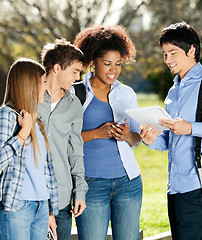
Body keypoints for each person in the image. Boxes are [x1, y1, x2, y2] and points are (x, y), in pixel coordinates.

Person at [139, 22, 202, 240]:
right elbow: (170, 139)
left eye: (172, 53)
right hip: (174, 187)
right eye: (164, 54)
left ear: (191, 50)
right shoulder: (174, 89)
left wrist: (190, 127)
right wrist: (150, 140)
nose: (167, 60)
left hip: (198, 184)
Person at [73, 25, 143, 240]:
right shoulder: (75, 93)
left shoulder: (127, 94)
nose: (113, 70)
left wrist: (127, 136)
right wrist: (96, 133)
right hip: (90, 185)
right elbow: (62, 139)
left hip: (128, 183)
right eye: (107, 64)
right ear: (93, 62)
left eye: (118, 64)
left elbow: (136, 137)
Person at [0, 57, 59, 240]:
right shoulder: (6, 115)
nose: (46, 86)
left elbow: (45, 170)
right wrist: (23, 132)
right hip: (17, 206)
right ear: (29, 84)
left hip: (41, 207)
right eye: (43, 81)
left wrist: (50, 211)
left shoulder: (37, 120)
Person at [38, 38, 88, 240]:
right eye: (75, 72)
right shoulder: (29, 96)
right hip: (30, 197)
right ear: (57, 68)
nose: (77, 78)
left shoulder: (74, 104)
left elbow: (75, 151)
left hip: (61, 199)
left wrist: (80, 191)